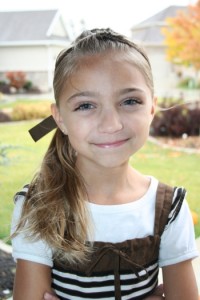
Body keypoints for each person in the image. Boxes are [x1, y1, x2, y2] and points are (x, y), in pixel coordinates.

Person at [11, 28, 199, 300]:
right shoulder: (37, 205)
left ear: (151, 108)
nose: (111, 124)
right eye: (86, 105)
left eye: (130, 101)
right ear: (59, 118)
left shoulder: (170, 210)